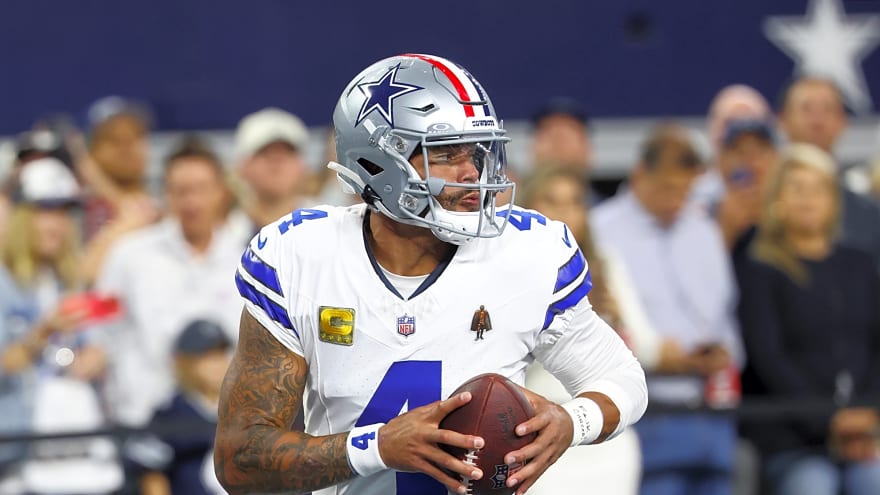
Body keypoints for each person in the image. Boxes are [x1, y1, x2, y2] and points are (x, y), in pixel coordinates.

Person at [214, 53, 648, 495]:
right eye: (443, 153)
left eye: (476, 152)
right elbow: (239, 460)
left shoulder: (525, 252)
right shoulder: (302, 256)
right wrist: (378, 448)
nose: (472, 172)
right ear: (375, 163)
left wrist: (571, 422)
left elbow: (623, 378)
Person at [592, 125, 742, 495]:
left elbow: (726, 315)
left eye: (685, 190)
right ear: (640, 173)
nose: (676, 200)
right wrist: (658, 357)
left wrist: (723, 352)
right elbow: (597, 327)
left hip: (711, 407)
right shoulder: (600, 230)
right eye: (667, 189)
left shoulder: (703, 231)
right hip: (645, 409)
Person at [737, 143, 880, 495]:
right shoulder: (759, 267)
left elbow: (876, 345)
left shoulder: (859, 264)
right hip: (791, 438)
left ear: (833, 199)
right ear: (777, 197)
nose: (808, 199)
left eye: (818, 189)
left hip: (864, 433)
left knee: (872, 481)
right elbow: (769, 357)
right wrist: (830, 420)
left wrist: (867, 414)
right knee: (814, 485)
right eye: (797, 188)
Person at [96, 137, 243, 427]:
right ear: (165, 194)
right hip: (143, 421)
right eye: (181, 191)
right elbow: (100, 332)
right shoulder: (129, 255)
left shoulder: (248, 260)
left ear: (222, 192)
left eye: (201, 189)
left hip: (227, 425)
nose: (192, 202)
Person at [0, 158, 122, 493]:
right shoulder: (4, 283)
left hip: (77, 453)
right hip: (16, 459)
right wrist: (42, 332)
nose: (56, 225)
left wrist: (94, 358)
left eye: (64, 213)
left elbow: (92, 347)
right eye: (45, 211)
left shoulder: (69, 282)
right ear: (22, 216)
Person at [777, 76, 880, 268]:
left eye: (827, 109)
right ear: (782, 120)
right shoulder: (757, 204)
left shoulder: (869, 214)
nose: (817, 120)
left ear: (843, 122)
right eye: (806, 109)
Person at [127, 319, 231, 495]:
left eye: (220, 355)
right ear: (184, 363)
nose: (217, 364)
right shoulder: (171, 414)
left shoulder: (248, 407)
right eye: (206, 357)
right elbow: (152, 475)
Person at [227, 108, 315, 245]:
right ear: (242, 166)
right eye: (264, 152)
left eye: (288, 151)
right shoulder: (223, 235)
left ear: (303, 165)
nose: (277, 160)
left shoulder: (332, 225)